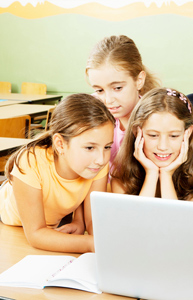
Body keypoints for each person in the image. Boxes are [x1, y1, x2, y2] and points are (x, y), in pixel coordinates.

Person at [0, 94, 115, 253]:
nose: (101, 159)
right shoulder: (31, 162)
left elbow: (92, 219)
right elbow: (36, 234)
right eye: (89, 148)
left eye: (107, 147)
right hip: (10, 220)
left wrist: (80, 222)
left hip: (55, 220)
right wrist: (90, 244)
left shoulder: (96, 163)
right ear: (60, 144)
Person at [111, 88, 193, 202]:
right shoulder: (121, 175)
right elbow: (139, 219)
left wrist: (166, 175)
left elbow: (177, 220)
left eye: (174, 136)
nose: (163, 146)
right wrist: (151, 174)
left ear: (188, 132)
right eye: (153, 135)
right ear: (137, 132)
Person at [86, 35, 160, 164]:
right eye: (99, 90)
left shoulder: (157, 120)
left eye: (118, 88)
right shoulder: (89, 111)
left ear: (139, 80)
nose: (108, 100)